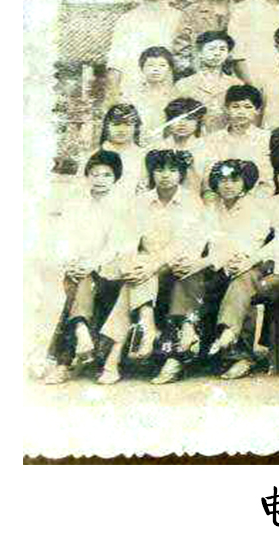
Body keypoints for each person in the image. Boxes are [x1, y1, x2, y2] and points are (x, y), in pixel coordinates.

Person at [151, 159, 266, 385]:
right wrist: (188, 260)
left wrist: (201, 263)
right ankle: (183, 341)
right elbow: (196, 238)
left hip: (244, 267)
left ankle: (235, 351)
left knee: (231, 280)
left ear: (245, 183)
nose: (228, 185)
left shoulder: (255, 211)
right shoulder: (211, 210)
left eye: (234, 180)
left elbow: (240, 247)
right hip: (215, 269)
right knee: (185, 275)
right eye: (222, 180)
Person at [96, 150, 206, 384]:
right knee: (136, 272)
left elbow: (185, 244)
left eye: (172, 170)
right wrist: (129, 264)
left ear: (181, 174)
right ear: (151, 173)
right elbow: (127, 239)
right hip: (143, 266)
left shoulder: (192, 202)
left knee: (140, 274)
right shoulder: (141, 202)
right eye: (159, 169)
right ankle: (146, 326)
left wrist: (153, 265)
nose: (165, 175)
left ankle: (115, 356)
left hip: (175, 265)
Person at [208, 155, 279, 379]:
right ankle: (236, 347)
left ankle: (233, 340)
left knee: (244, 282)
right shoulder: (271, 202)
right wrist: (241, 256)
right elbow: (256, 233)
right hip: (265, 267)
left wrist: (248, 261)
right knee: (243, 279)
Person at [42, 151, 128, 385]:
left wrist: (90, 264)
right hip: (80, 268)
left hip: (109, 268)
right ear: (87, 176)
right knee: (80, 281)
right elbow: (64, 239)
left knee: (81, 283)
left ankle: (66, 359)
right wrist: (70, 262)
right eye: (95, 174)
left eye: (107, 175)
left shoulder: (121, 206)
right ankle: (79, 332)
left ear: (116, 177)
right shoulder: (76, 204)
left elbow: (116, 245)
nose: (100, 179)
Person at [105, 0, 181, 102]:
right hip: (132, 89)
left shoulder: (180, 18)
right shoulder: (127, 19)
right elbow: (115, 63)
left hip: (169, 91)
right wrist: (111, 98)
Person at [171, 0, 241, 76]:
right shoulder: (192, 12)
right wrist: (195, 76)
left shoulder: (242, 11)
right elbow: (180, 50)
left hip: (236, 78)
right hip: (198, 77)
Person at [201, 84, 273, 195]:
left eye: (248, 107)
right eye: (235, 106)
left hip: (256, 198)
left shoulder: (267, 138)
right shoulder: (213, 140)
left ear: (258, 110)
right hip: (220, 197)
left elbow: (268, 180)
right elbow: (208, 176)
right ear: (226, 109)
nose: (241, 112)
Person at [172, 30, 242, 133]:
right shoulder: (183, 85)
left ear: (228, 54)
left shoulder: (237, 85)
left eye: (222, 49)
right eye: (211, 49)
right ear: (200, 53)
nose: (217, 53)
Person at [147, 97, 208, 193]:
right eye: (176, 118)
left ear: (198, 122)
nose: (182, 123)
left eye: (189, 119)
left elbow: (210, 188)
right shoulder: (156, 148)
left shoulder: (208, 149)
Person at [130, 46, 178, 143]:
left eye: (162, 65)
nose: (156, 69)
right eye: (150, 65)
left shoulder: (176, 97)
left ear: (170, 69)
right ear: (142, 68)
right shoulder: (131, 96)